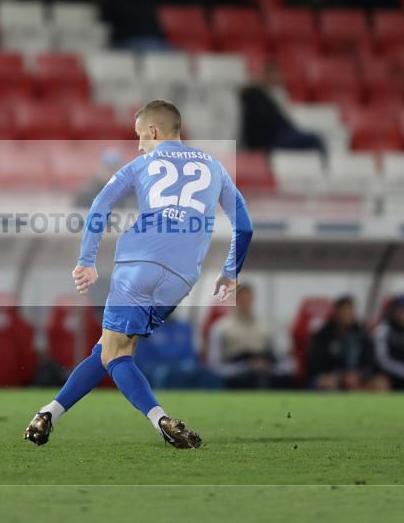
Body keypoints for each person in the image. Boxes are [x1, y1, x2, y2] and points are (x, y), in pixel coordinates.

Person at [24, 99, 254, 449]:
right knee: (108, 349)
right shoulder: (215, 166)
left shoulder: (143, 163)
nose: (139, 145)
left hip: (137, 266)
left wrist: (86, 260)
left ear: (153, 130)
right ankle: (48, 413)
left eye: (140, 137)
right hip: (181, 279)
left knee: (115, 354)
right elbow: (246, 227)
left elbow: (99, 206)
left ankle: (160, 419)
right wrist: (230, 272)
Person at [205, 284, 293, 388]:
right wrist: (245, 367)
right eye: (241, 298)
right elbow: (214, 365)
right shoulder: (221, 328)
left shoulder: (266, 327)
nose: (244, 302)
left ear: (253, 299)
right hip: (236, 375)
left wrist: (267, 366)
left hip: (265, 372)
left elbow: (281, 360)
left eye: (247, 298)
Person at [239, 61, 326, 153]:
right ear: (264, 75)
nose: (275, 79)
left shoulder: (277, 95)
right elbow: (270, 122)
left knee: (316, 139)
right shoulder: (254, 96)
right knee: (315, 140)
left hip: (279, 136)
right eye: (271, 75)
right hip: (270, 140)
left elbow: (282, 120)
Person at [306, 296, 389, 391]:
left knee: (380, 383)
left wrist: (358, 374)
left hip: (358, 377)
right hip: (333, 377)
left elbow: (371, 362)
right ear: (336, 313)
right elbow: (315, 364)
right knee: (327, 383)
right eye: (343, 311)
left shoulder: (362, 334)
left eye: (350, 311)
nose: (347, 314)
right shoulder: (323, 335)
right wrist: (341, 376)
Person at [100, 0, 169, 51]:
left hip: (154, 42)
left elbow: (156, 27)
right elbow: (106, 27)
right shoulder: (112, 1)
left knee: (178, 56)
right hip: (126, 42)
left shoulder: (147, 0)